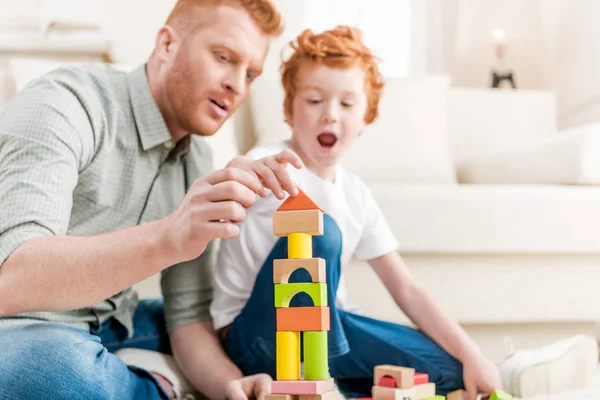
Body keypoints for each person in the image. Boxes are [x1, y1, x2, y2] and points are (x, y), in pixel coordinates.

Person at [211, 26, 600, 400]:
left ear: (366, 118)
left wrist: (471, 356)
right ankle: (334, 376)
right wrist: (242, 171)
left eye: (347, 104)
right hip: (256, 337)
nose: (330, 114)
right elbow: (240, 172)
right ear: (289, 109)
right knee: (320, 230)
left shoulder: (355, 195)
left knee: (448, 367)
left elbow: (407, 288)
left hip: (328, 331)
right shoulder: (272, 162)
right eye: (314, 101)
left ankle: (500, 370)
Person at [0, 1, 296, 399]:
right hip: (21, 321)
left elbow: (188, 316)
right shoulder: (65, 104)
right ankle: (154, 388)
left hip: (116, 319)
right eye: (224, 57)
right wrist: (169, 237)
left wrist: (230, 386)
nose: (237, 84)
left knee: (237, 320)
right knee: (51, 373)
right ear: (167, 44)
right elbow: (13, 279)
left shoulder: (197, 159)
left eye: (250, 73)